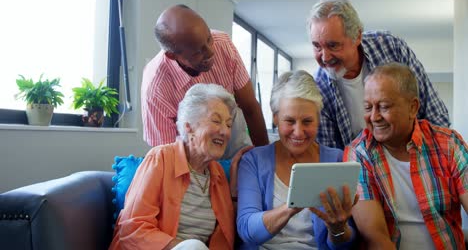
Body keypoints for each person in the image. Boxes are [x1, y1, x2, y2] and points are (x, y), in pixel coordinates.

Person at [345, 63, 468, 249]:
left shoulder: (449, 144)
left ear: (413, 108)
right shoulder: (359, 153)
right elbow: (375, 237)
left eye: (384, 106)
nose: (374, 117)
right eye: (368, 107)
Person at [110, 84, 248, 250]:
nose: (225, 132)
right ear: (189, 127)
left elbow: (227, 236)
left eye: (228, 125)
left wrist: (233, 190)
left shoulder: (217, 174)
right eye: (216, 121)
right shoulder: (160, 159)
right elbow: (132, 228)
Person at [236, 70, 358, 249]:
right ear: (275, 117)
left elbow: (346, 244)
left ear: (318, 119)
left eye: (307, 121)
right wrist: (293, 205)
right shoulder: (253, 160)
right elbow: (247, 230)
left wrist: (337, 229)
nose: (299, 132)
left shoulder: (337, 159)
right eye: (290, 121)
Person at [307, 0, 449, 149]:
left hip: (416, 154)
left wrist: (431, 161)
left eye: (333, 45)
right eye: (317, 46)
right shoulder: (318, 89)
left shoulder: (391, 48)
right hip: (363, 167)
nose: (325, 57)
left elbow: (435, 115)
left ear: (357, 37)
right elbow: (332, 155)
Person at [141, 4, 269, 160]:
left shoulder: (223, 44)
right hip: (188, 156)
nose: (210, 52)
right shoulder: (155, 89)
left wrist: (265, 161)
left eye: (209, 39)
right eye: (197, 52)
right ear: (172, 56)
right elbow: (167, 155)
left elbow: (250, 107)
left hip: (234, 139)